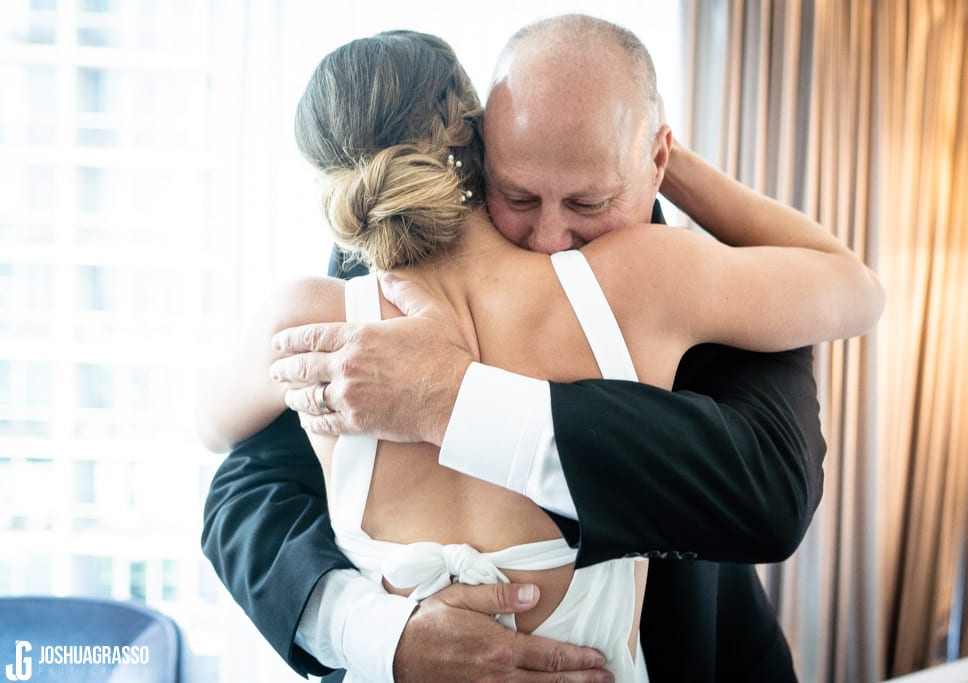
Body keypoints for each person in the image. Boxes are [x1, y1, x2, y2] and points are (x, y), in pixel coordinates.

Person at [201, 15, 876, 683]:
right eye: (517, 194)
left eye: (590, 200)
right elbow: (243, 487)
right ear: (480, 147)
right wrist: (372, 633)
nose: (551, 236)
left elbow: (770, 496)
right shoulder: (654, 278)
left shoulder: (309, 315)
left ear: (656, 159)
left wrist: (457, 402)